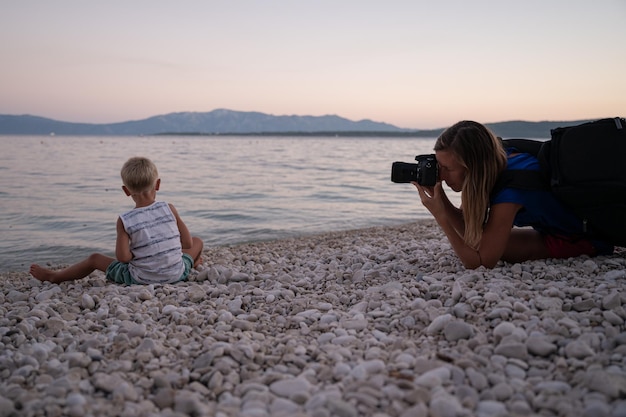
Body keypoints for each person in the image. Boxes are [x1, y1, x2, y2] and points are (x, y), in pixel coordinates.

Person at [414, 120, 613, 269]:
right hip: (554, 227)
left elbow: (481, 262)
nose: (442, 175)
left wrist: (441, 217)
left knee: (494, 247)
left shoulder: (512, 188)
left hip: (582, 236)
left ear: (472, 168)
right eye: (439, 166)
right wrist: (441, 201)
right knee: (484, 240)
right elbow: (470, 230)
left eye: (447, 168)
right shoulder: (497, 158)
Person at [30, 156, 204, 284]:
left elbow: (123, 258)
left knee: (94, 258)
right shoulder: (169, 208)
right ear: (157, 184)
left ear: (126, 191)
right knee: (198, 241)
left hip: (140, 278)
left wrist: (144, 251)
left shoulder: (125, 220)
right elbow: (187, 243)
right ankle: (194, 263)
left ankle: (55, 276)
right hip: (177, 274)